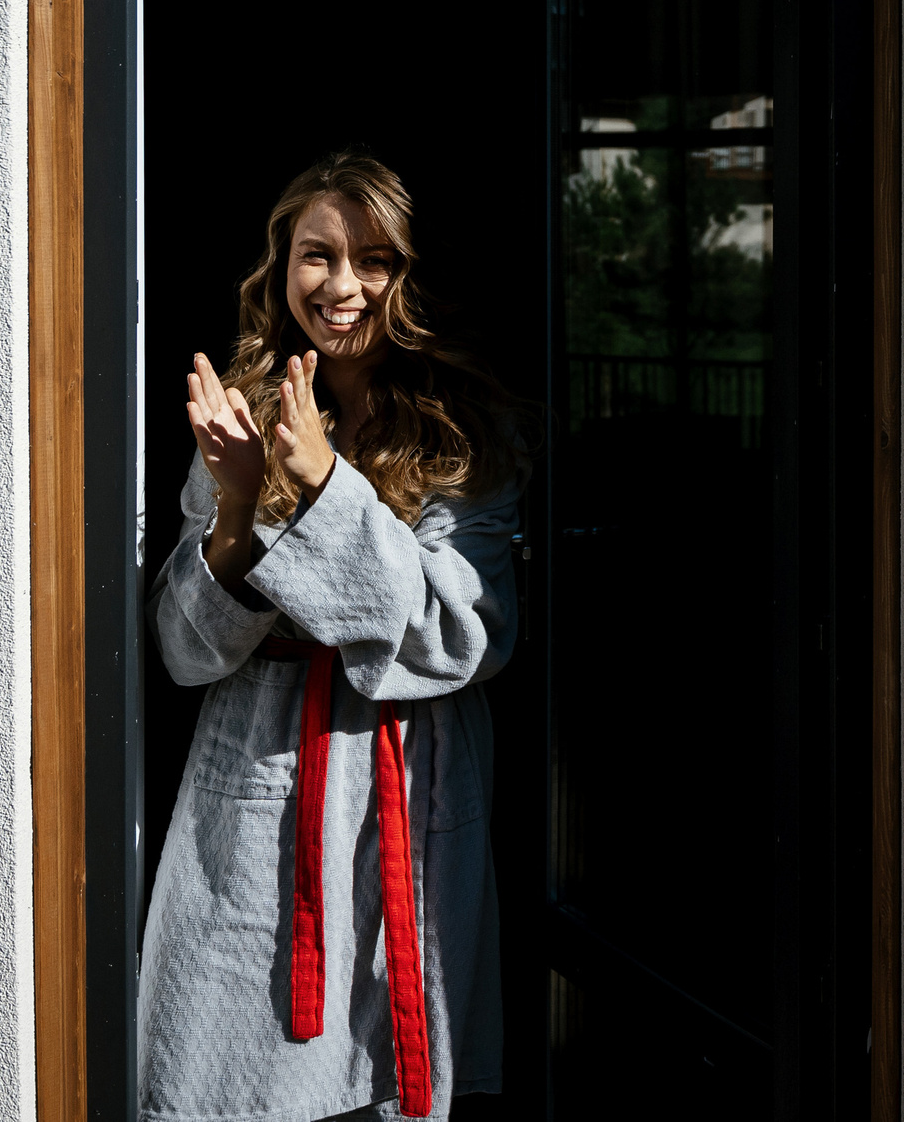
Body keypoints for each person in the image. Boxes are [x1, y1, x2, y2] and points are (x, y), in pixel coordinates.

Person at [140, 150, 530, 1122]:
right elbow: (184, 651)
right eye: (318, 255)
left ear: (406, 275)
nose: (342, 285)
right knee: (228, 1067)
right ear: (282, 267)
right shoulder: (244, 411)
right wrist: (235, 510)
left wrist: (324, 486)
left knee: (380, 1077)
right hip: (256, 778)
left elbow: (463, 632)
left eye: (373, 259)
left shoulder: (463, 432)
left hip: (400, 780)